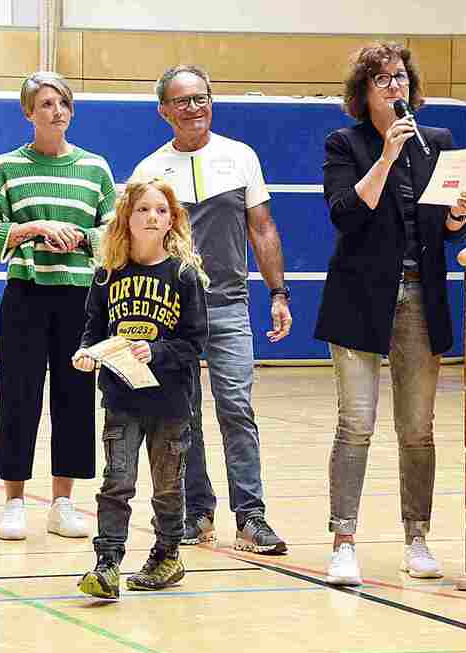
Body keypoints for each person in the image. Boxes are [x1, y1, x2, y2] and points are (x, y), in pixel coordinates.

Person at [317, 42, 466, 585]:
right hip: (359, 298)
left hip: (420, 297)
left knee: (417, 429)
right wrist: (386, 157)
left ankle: (418, 537)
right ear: (364, 92)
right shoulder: (346, 144)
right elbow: (345, 214)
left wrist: (457, 217)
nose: (395, 87)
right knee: (356, 424)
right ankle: (343, 542)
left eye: (401, 78)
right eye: (383, 79)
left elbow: (445, 230)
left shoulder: (438, 143)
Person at [131, 65, 289, 554]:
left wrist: (279, 293)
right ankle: (196, 512)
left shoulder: (240, 157)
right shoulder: (148, 172)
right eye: (182, 101)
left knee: (236, 407)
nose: (193, 108)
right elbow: (136, 243)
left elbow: (262, 229)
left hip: (229, 305)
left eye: (201, 97)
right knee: (185, 414)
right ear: (164, 110)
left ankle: (251, 516)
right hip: (171, 314)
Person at [0, 72, 117, 541]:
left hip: (80, 298)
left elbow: (114, 233)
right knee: (18, 396)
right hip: (26, 295)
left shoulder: (95, 168)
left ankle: (63, 503)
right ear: (28, 112)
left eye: (63, 103)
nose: (57, 111)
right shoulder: (7, 167)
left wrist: (81, 237)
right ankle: (14, 501)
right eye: (46, 104)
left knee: (75, 397)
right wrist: (34, 230)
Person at [73, 179, 209, 599]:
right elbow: (94, 329)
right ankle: (107, 563)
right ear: (126, 218)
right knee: (117, 482)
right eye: (143, 209)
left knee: (167, 487)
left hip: (170, 402)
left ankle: (166, 555)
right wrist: (87, 353)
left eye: (162, 210)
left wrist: (157, 351)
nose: (153, 217)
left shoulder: (184, 275)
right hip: (121, 398)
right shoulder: (107, 274)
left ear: (172, 220)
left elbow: (195, 342)